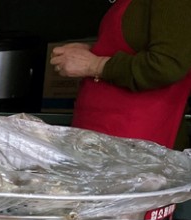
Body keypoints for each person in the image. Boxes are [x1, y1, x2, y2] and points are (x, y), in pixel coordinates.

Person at [50, 0, 191, 149]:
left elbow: (166, 66)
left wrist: (95, 65)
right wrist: (93, 51)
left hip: (136, 140)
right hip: (101, 133)